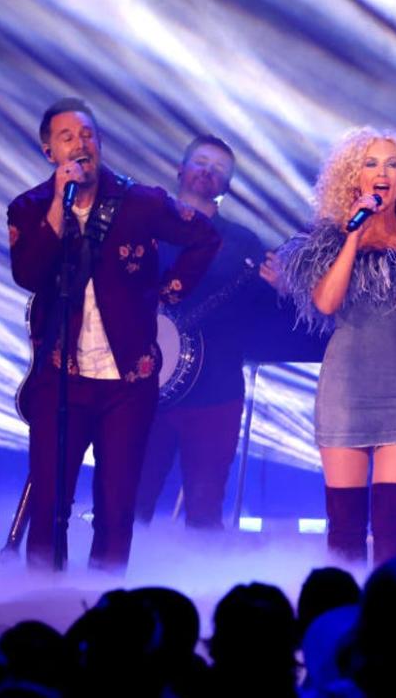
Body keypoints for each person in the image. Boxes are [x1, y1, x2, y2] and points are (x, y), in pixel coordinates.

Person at [8, 97, 218, 571]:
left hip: (128, 383)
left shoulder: (138, 202)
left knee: (116, 506)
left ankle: (104, 610)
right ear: (49, 152)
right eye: (68, 137)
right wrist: (59, 212)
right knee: (49, 504)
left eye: (88, 135)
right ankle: (42, 603)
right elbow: (29, 273)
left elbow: (205, 236)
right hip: (60, 380)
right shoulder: (28, 209)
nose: (81, 144)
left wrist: (171, 288)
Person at [274, 128, 396, 565]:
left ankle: (392, 620)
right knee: (344, 524)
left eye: (392, 164)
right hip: (345, 388)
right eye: (371, 163)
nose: (381, 172)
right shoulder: (330, 240)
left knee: (393, 523)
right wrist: (352, 235)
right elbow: (326, 302)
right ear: (355, 178)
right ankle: (345, 618)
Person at [133, 134, 296, 529]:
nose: (209, 170)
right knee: (131, 498)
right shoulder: (141, 228)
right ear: (181, 169)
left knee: (205, 506)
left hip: (216, 392)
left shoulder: (243, 243)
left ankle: (199, 584)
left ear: (226, 186)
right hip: (142, 387)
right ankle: (110, 582)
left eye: (220, 168)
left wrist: (282, 291)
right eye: (202, 161)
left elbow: (268, 319)